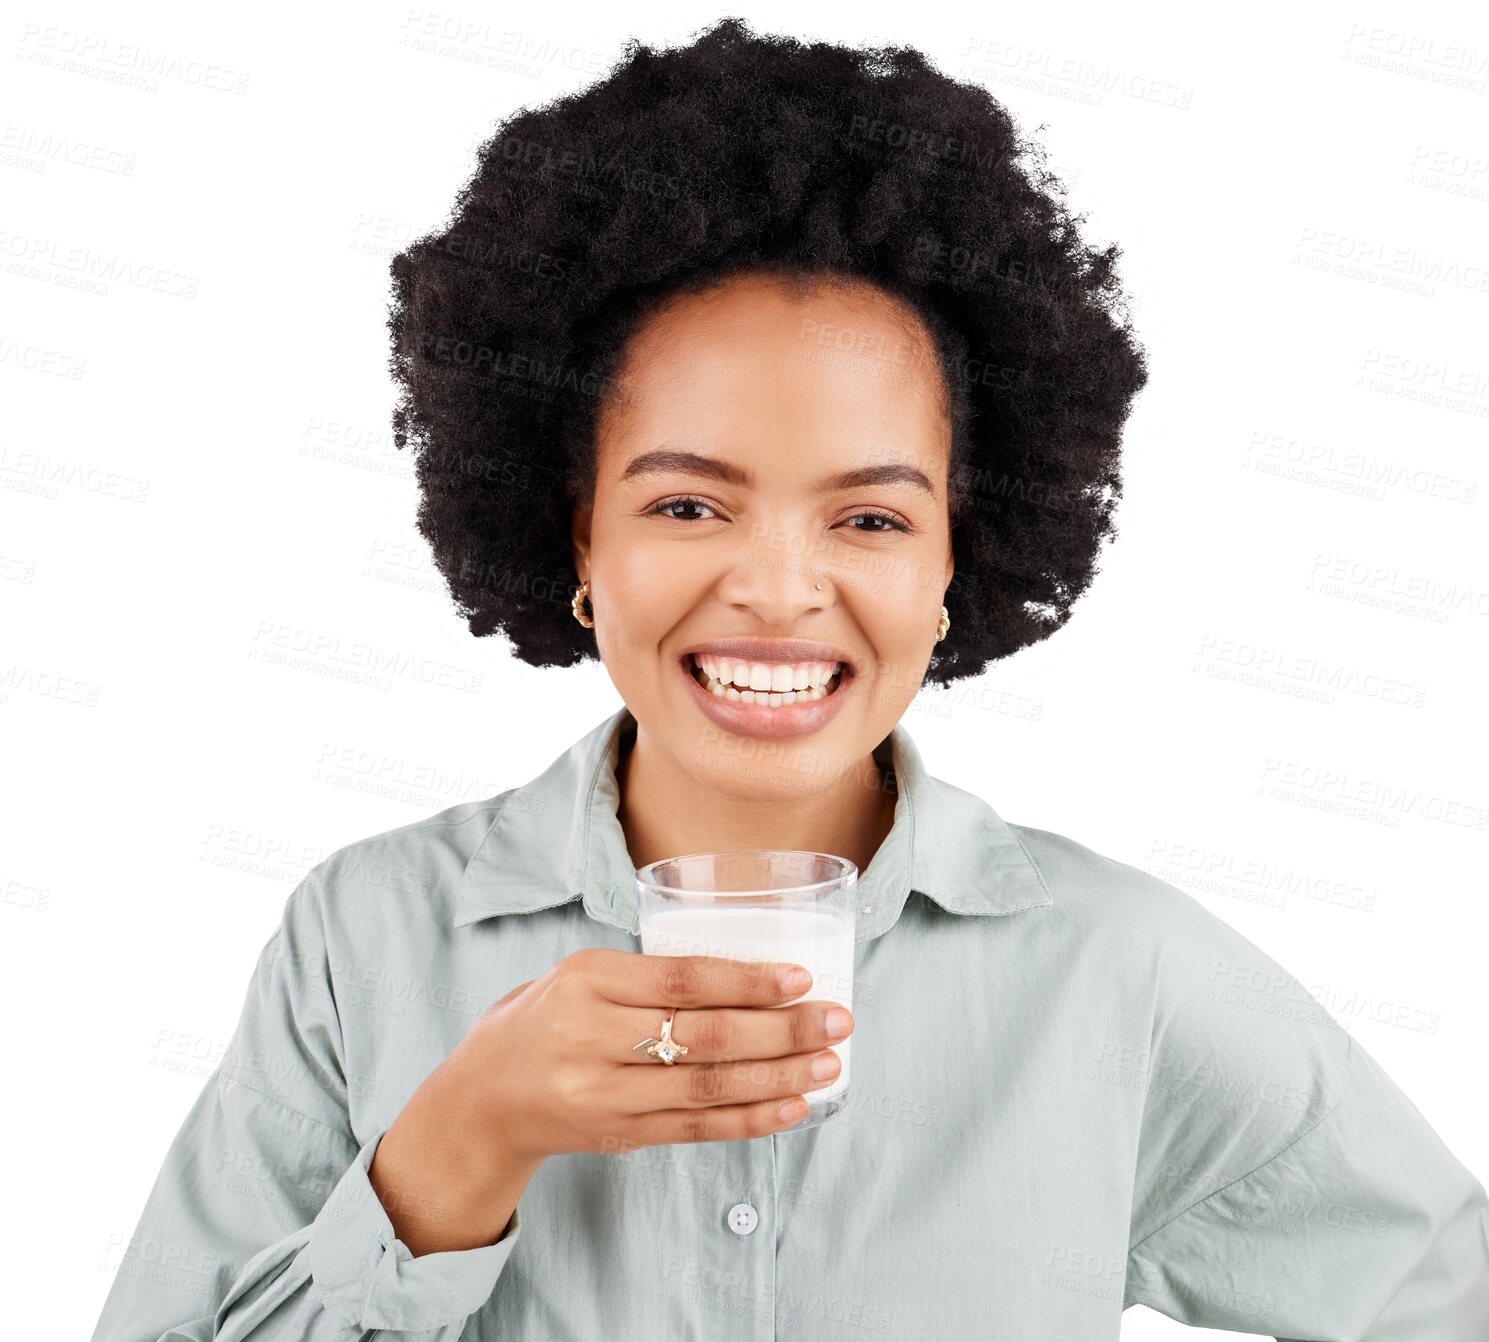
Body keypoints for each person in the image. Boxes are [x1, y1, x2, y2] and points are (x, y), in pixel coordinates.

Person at [92, 17, 1489, 1342]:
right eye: (687, 506)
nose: (773, 586)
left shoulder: (1121, 975)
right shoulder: (367, 939)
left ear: (959, 555)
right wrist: (458, 1143)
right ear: (574, 530)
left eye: (870, 517)